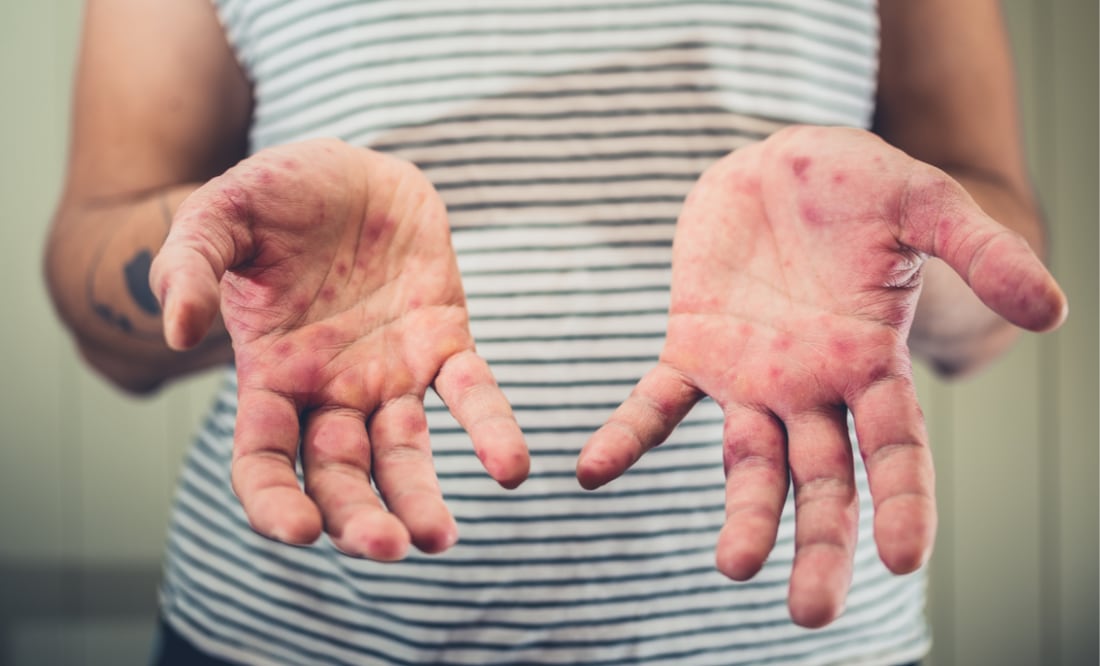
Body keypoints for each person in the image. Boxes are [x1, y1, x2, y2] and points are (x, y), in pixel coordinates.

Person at [44, 0, 1067, 664]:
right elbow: (101, 293)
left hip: (785, 640)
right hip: (293, 635)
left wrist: (898, 272)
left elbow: (989, 285)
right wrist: (219, 256)